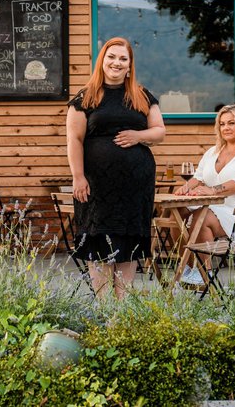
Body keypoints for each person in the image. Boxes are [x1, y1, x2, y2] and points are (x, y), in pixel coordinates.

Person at [66, 36, 165, 299]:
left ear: (130, 65)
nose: (116, 63)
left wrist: (137, 136)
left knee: (129, 237)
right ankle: (103, 305)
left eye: (123, 58)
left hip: (135, 185)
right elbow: (74, 140)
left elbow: (159, 131)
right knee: (98, 236)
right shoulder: (85, 97)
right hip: (97, 184)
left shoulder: (141, 95)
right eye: (111, 57)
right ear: (102, 61)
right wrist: (78, 177)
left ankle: (122, 306)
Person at [175, 105, 235, 285]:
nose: (226, 127)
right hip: (212, 206)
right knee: (176, 210)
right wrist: (185, 189)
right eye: (222, 124)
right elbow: (198, 177)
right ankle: (188, 264)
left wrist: (212, 190)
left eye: (231, 123)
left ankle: (204, 272)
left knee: (202, 216)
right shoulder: (213, 152)